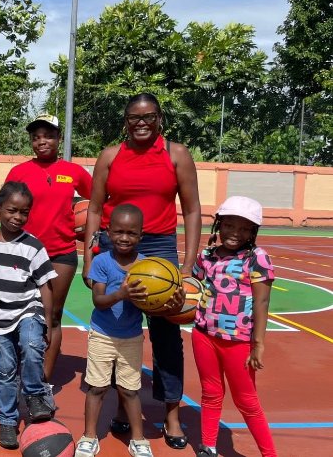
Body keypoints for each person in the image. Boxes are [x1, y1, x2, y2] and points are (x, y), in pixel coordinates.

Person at [82, 92, 201, 447]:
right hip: (114, 243)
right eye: (135, 117)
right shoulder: (110, 156)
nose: (142, 122)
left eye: (149, 116)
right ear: (126, 121)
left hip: (159, 248)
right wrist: (88, 258)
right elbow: (94, 209)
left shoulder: (177, 154)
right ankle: (122, 407)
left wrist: (187, 266)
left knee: (166, 335)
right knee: (117, 326)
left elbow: (192, 210)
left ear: (160, 118)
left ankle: (171, 414)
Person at [0, 182, 57, 450]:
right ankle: (7, 420)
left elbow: (45, 286)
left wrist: (48, 323)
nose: (18, 217)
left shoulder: (33, 246)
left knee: (31, 345)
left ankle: (35, 394)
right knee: (5, 371)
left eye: (24, 212)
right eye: (12, 210)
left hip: (29, 308)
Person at [5, 114, 92, 383]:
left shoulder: (74, 172)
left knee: (52, 315)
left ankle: (42, 381)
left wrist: (87, 227)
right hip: (24, 252)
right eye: (36, 137)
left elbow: (98, 203)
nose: (42, 141)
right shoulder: (19, 172)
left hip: (61, 253)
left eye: (48, 136)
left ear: (58, 138)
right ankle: (18, 370)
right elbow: (6, 209)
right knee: (19, 313)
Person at [75, 204, 165, 457]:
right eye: (118, 232)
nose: (124, 237)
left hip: (131, 337)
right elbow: (99, 301)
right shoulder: (102, 262)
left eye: (131, 233)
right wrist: (121, 294)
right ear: (108, 232)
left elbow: (152, 305)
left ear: (141, 236)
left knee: (130, 389)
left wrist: (166, 301)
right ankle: (89, 436)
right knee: (97, 387)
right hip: (102, 335)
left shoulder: (148, 267)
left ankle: (138, 439)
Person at [192, 196, 277, 457]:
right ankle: (208, 446)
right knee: (211, 392)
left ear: (253, 232)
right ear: (219, 225)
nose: (235, 233)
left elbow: (261, 302)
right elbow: (192, 287)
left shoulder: (257, 258)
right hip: (204, 334)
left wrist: (258, 344)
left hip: (238, 341)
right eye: (229, 225)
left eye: (244, 228)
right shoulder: (207, 255)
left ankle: (269, 454)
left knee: (246, 400)